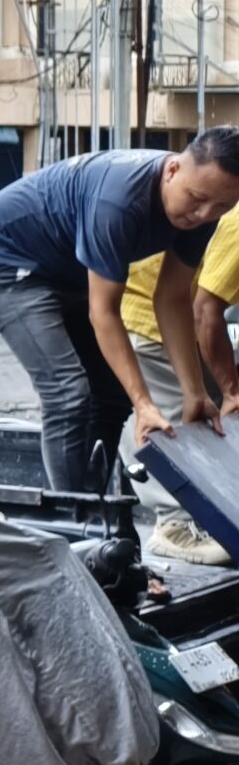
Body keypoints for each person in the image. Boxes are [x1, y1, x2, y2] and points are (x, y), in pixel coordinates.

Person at [0, 131, 239, 494]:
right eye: (198, 199)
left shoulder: (203, 211)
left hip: (66, 269)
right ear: (172, 170)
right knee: (67, 391)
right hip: (5, 262)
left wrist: (195, 392)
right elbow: (104, 313)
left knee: (110, 390)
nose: (204, 214)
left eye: (221, 207)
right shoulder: (120, 202)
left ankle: (94, 502)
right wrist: (144, 403)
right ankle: (75, 519)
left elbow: (171, 299)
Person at [118, 215, 239, 563]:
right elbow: (206, 310)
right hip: (155, 315)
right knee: (175, 421)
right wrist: (230, 390)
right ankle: (174, 523)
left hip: (187, 308)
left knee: (214, 417)